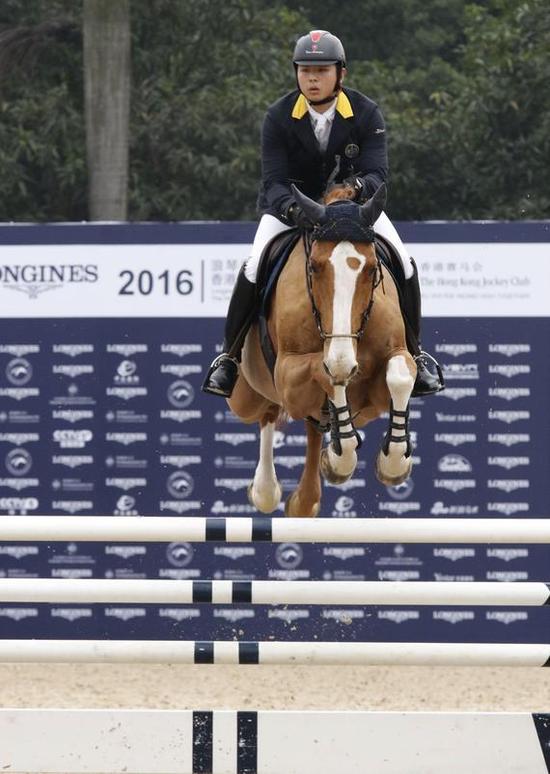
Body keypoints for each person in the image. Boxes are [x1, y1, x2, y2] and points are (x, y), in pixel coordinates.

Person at [202, 29, 444, 398]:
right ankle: (229, 359)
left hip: (353, 212)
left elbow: (377, 174)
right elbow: (275, 181)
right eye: (304, 70)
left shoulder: (365, 112)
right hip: (291, 211)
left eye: (321, 70)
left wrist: (350, 196)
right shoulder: (279, 116)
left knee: (406, 263)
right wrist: (296, 209)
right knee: (253, 266)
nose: (312, 78)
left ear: (340, 74)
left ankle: (417, 352)